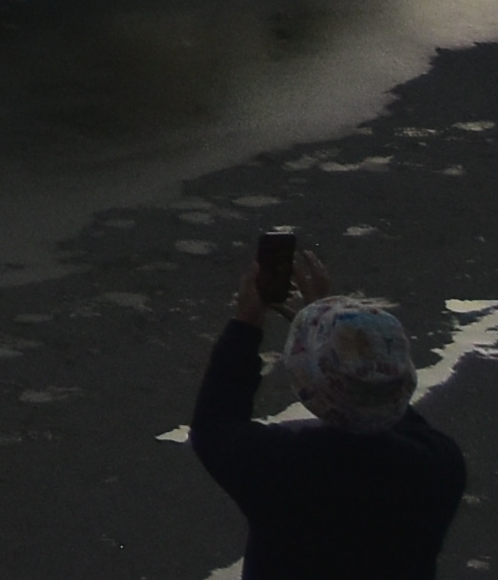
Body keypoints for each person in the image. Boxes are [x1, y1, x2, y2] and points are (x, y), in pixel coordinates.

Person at [187, 243, 466, 575]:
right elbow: (384, 398)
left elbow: (214, 424)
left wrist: (247, 323)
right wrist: (331, 323)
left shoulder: (285, 466)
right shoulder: (439, 465)